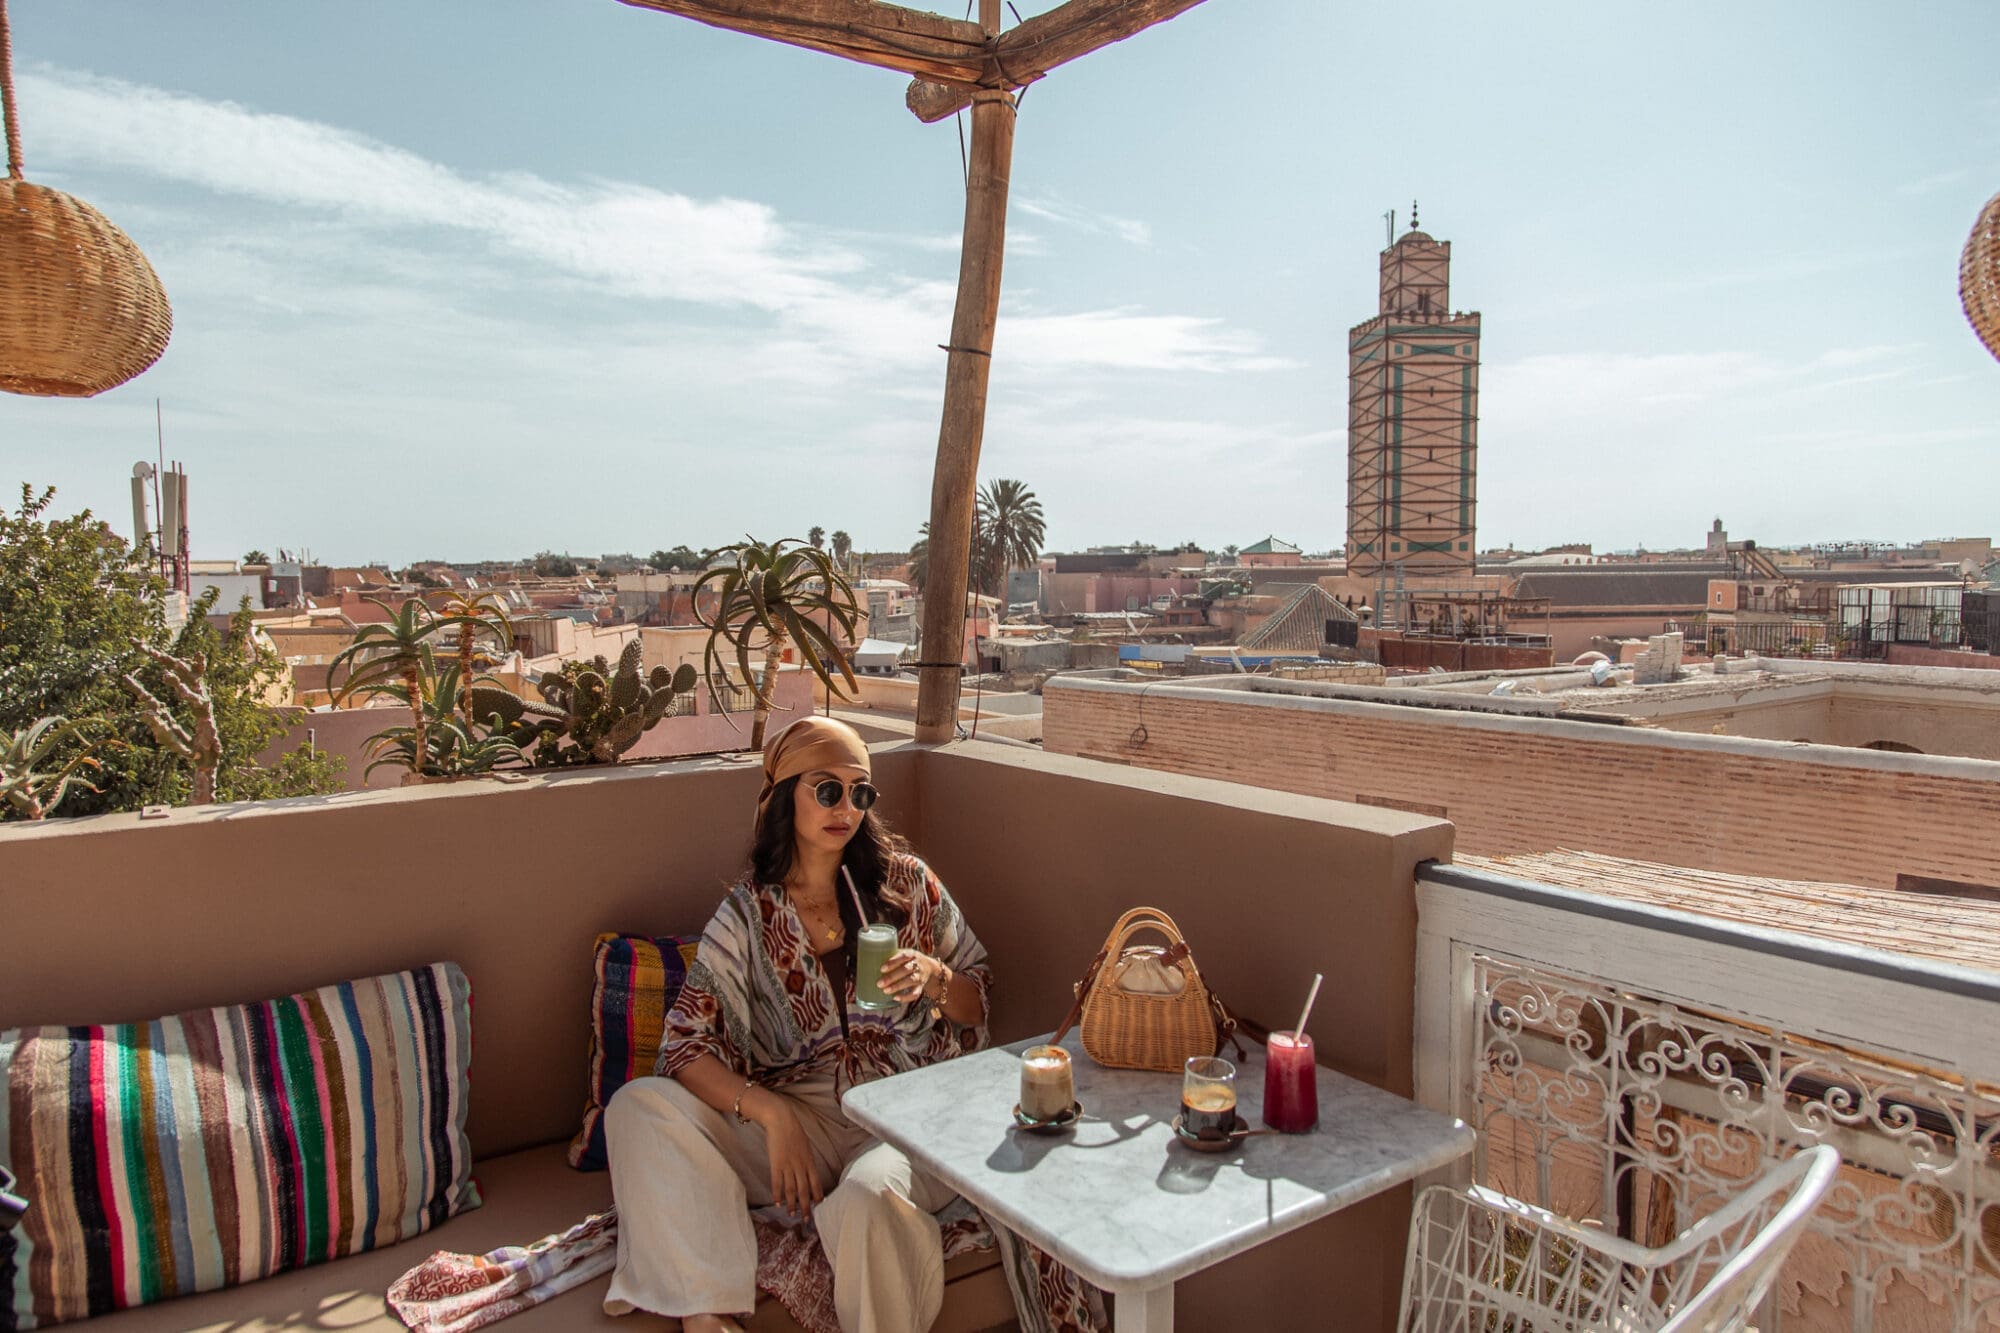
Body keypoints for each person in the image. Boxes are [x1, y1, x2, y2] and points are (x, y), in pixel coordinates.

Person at [605, 717, 991, 1333]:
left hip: (904, 1113)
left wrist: (935, 978)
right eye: (827, 789)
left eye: (860, 791)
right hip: (800, 1126)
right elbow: (683, 1046)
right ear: (786, 793)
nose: (846, 807)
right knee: (637, 1108)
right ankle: (704, 1312)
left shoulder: (908, 885)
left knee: (869, 1198)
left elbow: (980, 997)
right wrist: (772, 1114)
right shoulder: (747, 917)